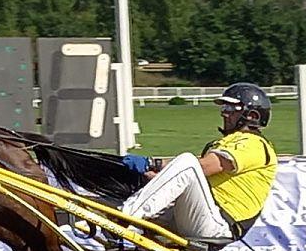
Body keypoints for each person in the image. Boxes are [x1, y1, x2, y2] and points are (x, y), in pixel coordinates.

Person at [119, 82, 278, 242]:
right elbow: (186, 179)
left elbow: (203, 167)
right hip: (198, 214)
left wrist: (154, 163)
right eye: (223, 108)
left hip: (218, 224)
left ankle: (127, 216)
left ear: (252, 116)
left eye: (230, 109)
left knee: (188, 161)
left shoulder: (254, 144)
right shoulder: (228, 142)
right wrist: (155, 176)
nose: (224, 113)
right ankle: (117, 218)